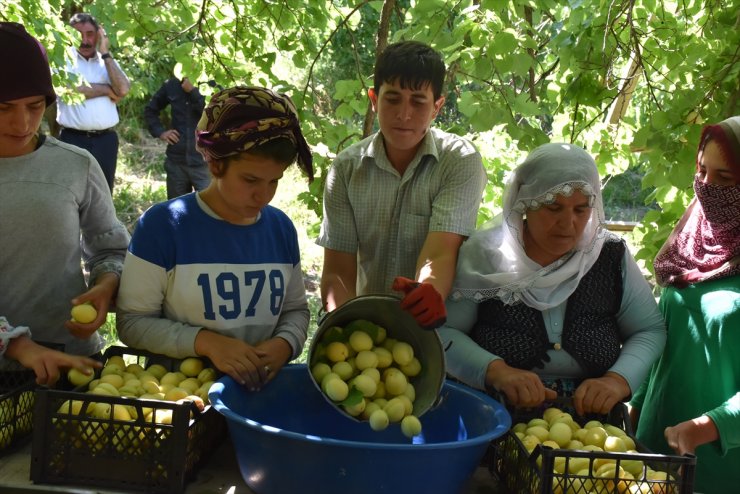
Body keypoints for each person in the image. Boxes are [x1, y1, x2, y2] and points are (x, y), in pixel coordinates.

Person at [438, 142, 666, 416]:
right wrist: (496, 371)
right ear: (525, 203)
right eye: (553, 207)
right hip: (493, 414)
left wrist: (617, 380)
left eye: (581, 209)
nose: (568, 223)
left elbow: (649, 330)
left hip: (590, 427)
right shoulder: (487, 256)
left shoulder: (608, 255)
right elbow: (444, 331)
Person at [116, 86, 314, 391]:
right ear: (214, 163)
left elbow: (295, 310)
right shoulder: (164, 227)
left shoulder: (280, 229)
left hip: (259, 400)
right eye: (250, 180)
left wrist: (285, 343)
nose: (263, 195)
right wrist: (205, 343)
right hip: (181, 402)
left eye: (274, 181)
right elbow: (132, 323)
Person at [317, 40, 487, 330]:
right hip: (364, 319)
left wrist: (427, 292)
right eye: (392, 98)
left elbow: (441, 253)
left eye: (418, 102)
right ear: (374, 99)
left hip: (436, 327)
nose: (404, 114)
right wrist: (348, 328)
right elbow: (337, 274)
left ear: (437, 107)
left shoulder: (460, 161)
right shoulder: (345, 169)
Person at [0, 22, 128, 382]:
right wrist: (16, 345)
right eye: (3, 107)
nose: (21, 123)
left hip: (71, 361)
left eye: (35, 105)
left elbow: (111, 248)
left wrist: (105, 285)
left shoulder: (75, 164)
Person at [629, 116, 740, 494]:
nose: (708, 189)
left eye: (725, 180)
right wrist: (635, 402)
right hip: (650, 452)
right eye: (702, 172)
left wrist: (706, 427)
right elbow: (663, 338)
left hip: (720, 470)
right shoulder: (689, 245)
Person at [56, 12, 130, 192]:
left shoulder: (107, 62)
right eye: (79, 34)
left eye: (90, 34)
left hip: (106, 140)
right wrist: (106, 89)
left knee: (103, 194)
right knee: (71, 192)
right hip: (72, 139)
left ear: (99, 34)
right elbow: (69, 90)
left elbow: (122, 89)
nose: (85, 40)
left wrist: (105, 53)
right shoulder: (63, 59)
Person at [144, 75, 211, 199]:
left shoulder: (212, 81)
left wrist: (193, 92)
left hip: (204, 164)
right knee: (176, 210)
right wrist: (161, 132)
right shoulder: (172, 84)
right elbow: (150, 110)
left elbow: (215, 115)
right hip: (176, 163)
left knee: (210, 210)